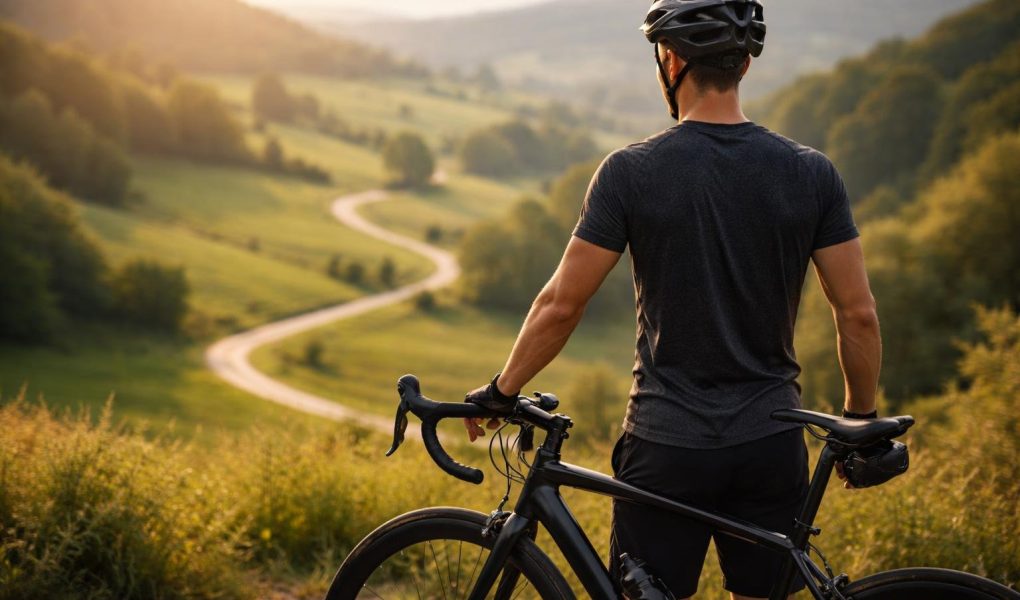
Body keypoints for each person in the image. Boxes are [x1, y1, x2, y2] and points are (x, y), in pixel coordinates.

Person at [462, 0, 882, 598]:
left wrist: (502, 390)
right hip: (771, 439)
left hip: (667, 444)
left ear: (673, 59)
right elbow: (857, 313)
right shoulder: (811, 172)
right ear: (744, 64)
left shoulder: (630, 172)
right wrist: (859, 420)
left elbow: (562, 304)